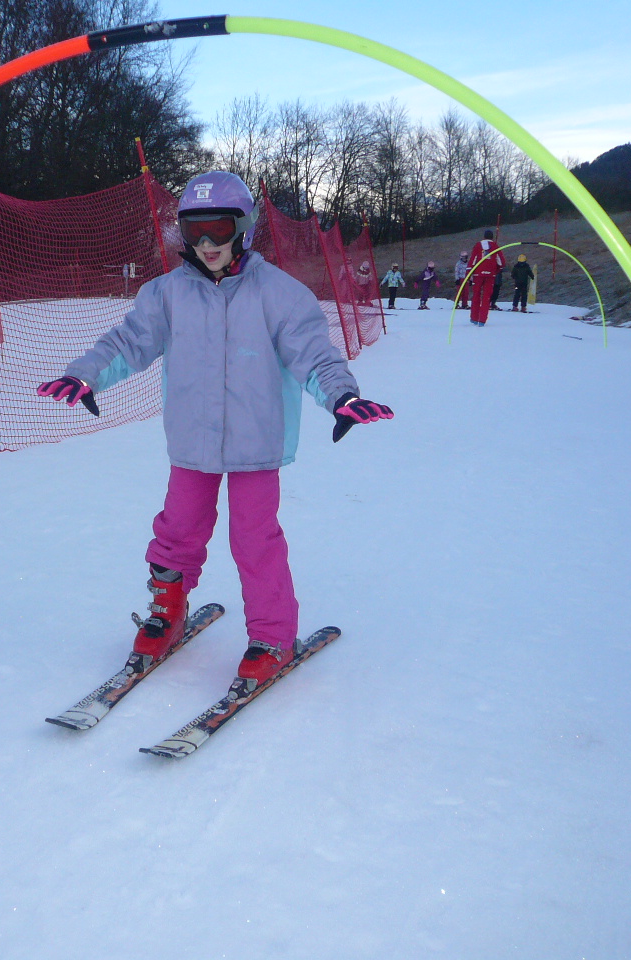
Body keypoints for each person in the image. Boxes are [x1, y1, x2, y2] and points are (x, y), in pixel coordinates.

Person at [36, 171, 393, 686]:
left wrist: (342, 396)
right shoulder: (167, 294)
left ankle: (272, 636)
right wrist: (84, 373)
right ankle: (168, 612)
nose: (206, 243)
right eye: (194, 230)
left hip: (256, 445)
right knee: (176, 531)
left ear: (243, 228)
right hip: (192, 444)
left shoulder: (280, 295)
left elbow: (314, 354)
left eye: (219, 229)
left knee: (254, 540)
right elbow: (127, 343)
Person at [467, 229, 504, 326]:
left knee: (476, 295)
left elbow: (473, 260)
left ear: (484, 236)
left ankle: (474, 318)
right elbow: (501, 263)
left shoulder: (478, 245)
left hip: (478, 274)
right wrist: (496, 270)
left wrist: (468, 274)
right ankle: (482, 320)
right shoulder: (495, 246)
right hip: (490, 275)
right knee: (486, 297)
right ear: (492, 237)